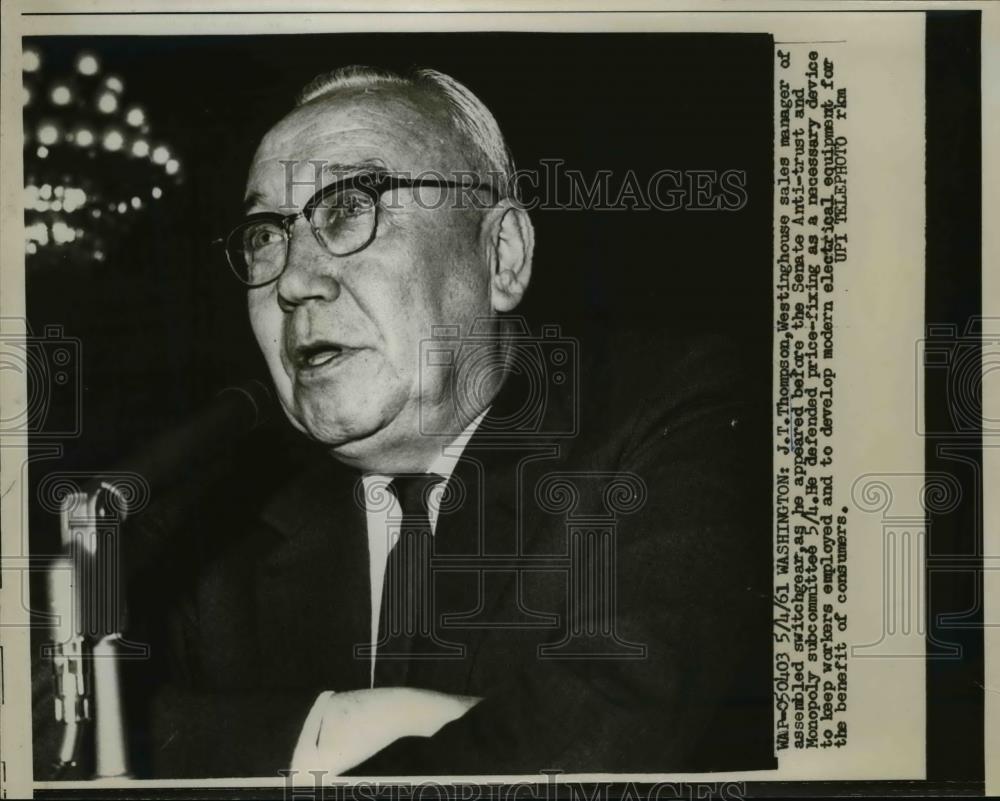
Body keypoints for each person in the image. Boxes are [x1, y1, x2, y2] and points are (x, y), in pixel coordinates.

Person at [126, 65, 774, 778]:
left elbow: (610, 739)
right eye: (263, 235)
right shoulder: (211, 526)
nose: (292, 280)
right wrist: (332, 725)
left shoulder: (667, 414)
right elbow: (65, 731)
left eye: (347, 207)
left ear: (501, 257)